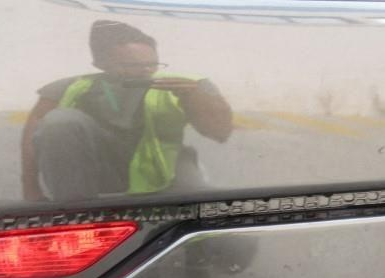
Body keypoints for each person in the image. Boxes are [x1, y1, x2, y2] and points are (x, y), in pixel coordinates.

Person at [21, 20, 233, 202]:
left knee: (208, 216)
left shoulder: (189, 85)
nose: (145, 71)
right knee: (60, 120)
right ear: (101, 63)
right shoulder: (68, 88)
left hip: (166, 167)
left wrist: (193, 98)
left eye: (152, 64)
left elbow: (220, 133)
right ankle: (76, 212)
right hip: (102, 168)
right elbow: (33, 137)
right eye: (132, 65)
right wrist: (31, 188)